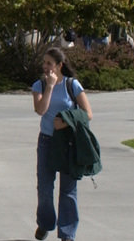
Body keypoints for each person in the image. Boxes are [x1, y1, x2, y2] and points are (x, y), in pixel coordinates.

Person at [32, 46, 92, 241]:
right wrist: (49, 86)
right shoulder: (39, 85)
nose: (45, 66)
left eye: (49, 63)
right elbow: (41, 110)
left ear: (59, 65)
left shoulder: (72, 85)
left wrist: (66, 121)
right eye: (44, 63)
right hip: (47, 141)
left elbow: (87, 113)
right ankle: (45, 223)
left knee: (68, 190)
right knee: (45, 188)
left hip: (68, 143)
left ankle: (67, 233)